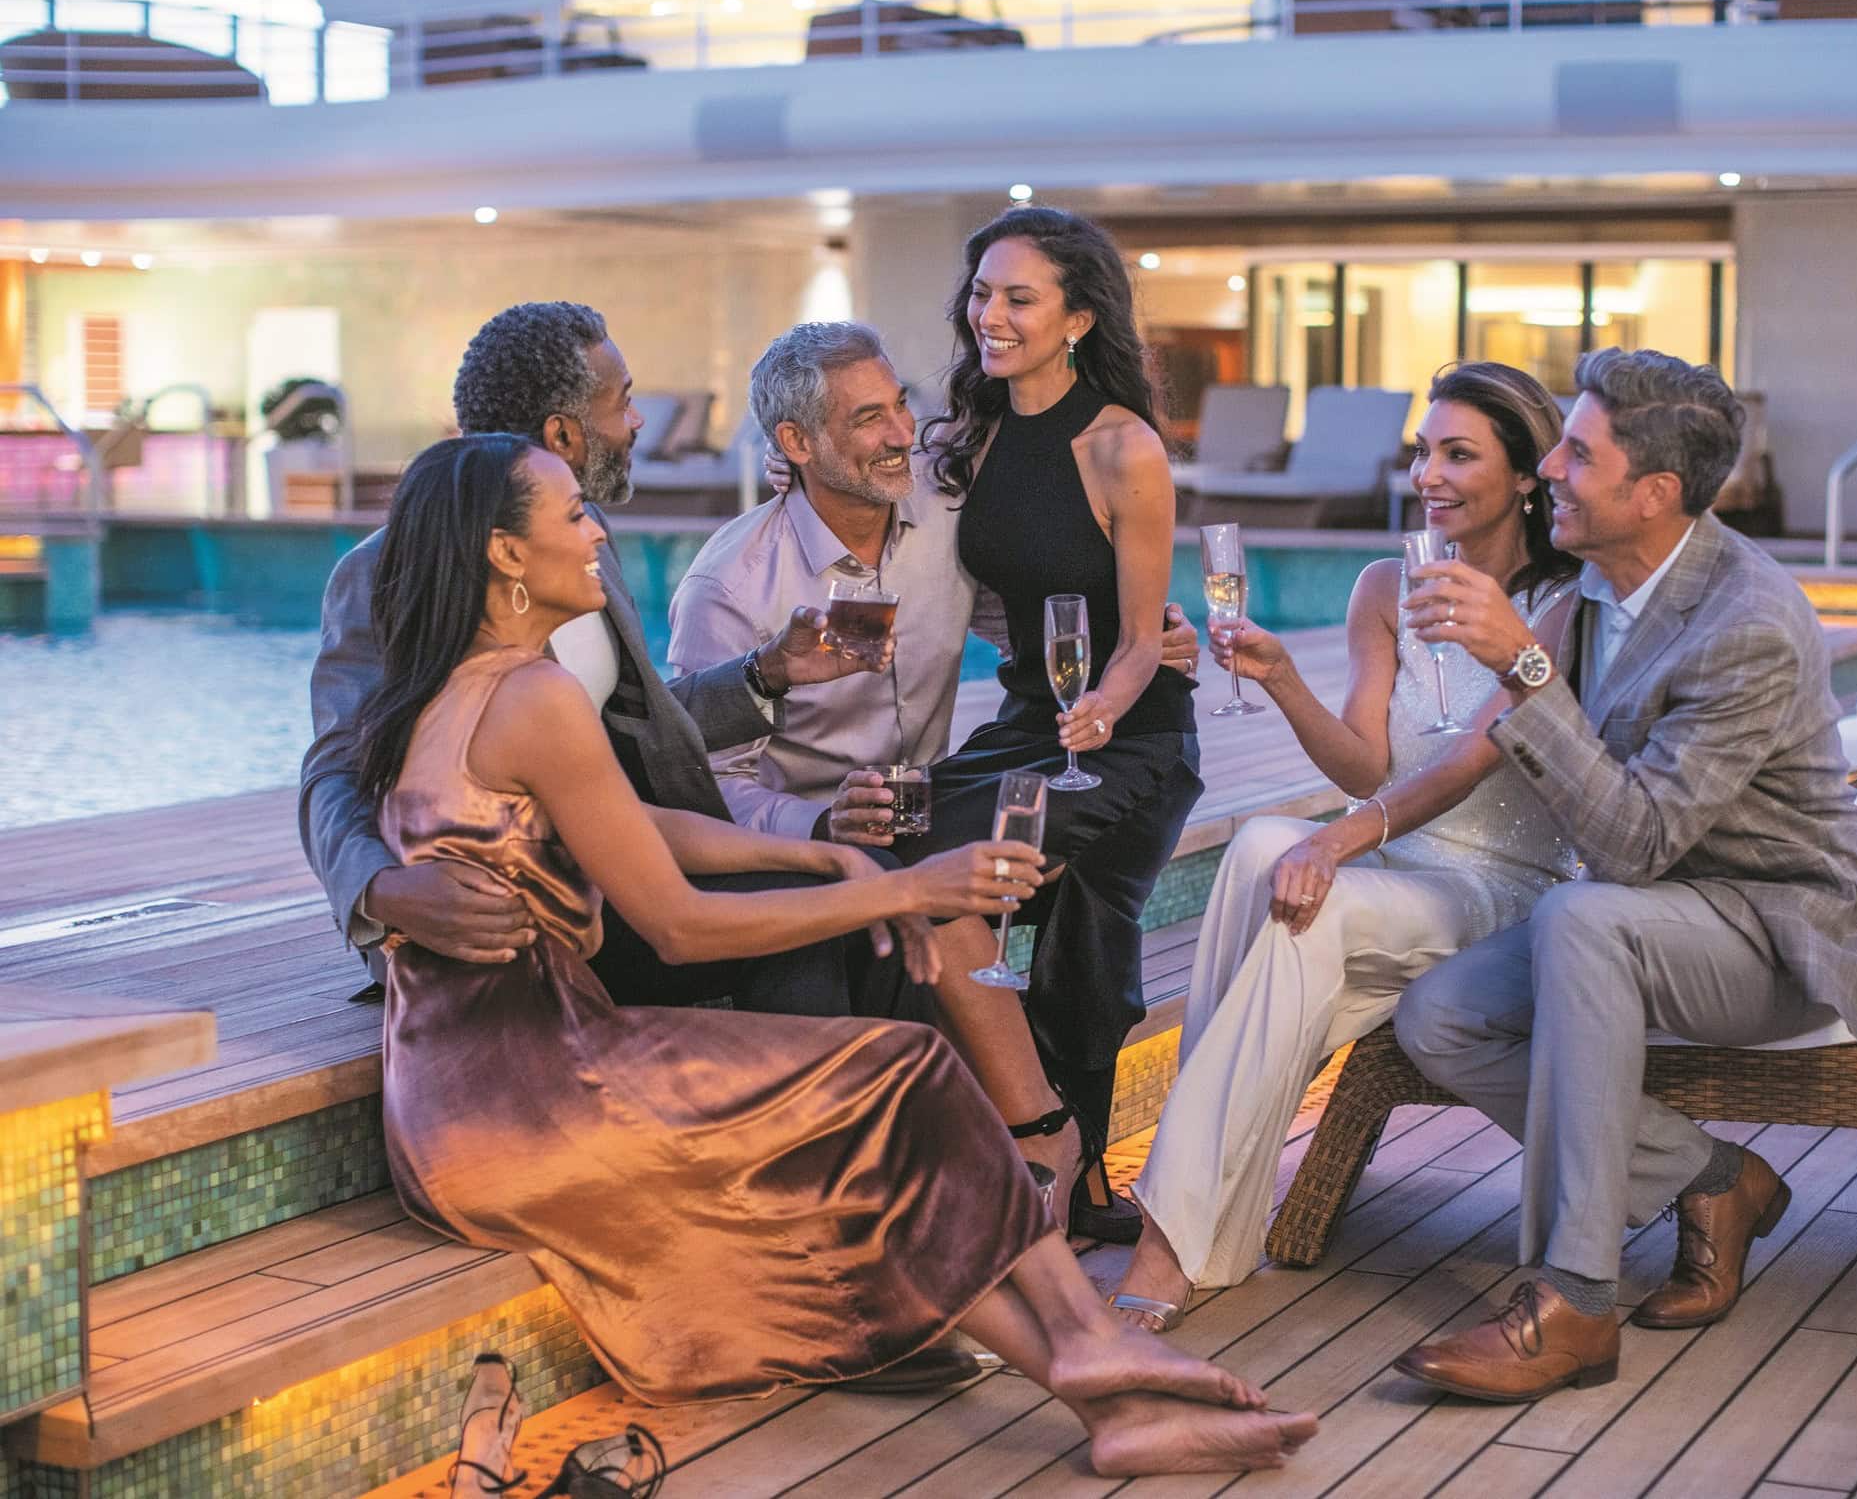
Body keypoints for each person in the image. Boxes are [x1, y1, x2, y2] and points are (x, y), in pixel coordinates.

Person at [363, 431, 1319, 1477]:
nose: (597, 530)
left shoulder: (481, 682)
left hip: (480, 1072)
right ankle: (1091, 1351)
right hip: (521, 1090)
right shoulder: (531, 698)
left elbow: (635, 824)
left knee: (889, 1101)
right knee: (898, 1070)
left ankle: (1106, 1397)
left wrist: (822, 857)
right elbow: (676, 920)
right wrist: (912, 884)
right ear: (505, 554)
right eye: (569, 515)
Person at [1386, 348, 1857, 1402]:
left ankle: (1572, 1306)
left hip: (1775, 924)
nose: (1548, 463)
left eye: (1577, 450)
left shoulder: (1744, 623)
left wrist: (1520, 664)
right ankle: (1716, 1180)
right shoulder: (1600, 585)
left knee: (1585, 918)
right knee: (1442, 1017)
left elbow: (1634, 846)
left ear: (1654, 493)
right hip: (1655, 911)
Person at [666, 319, 1200, 1237]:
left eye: (901, 404)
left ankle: (1067, 1143)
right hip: (808, 839)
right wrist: (819, 822)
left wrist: (1146, 634)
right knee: (956, 878)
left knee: (1080, 883)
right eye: (867, 417)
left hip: (925, 794)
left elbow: (1029, 614)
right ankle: (1023, 1142)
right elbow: (705, 779)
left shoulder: (943, 526)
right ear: (795, 445)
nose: (901, 432)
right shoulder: (733, 582)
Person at [1107, 362, 1581, 1330]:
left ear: (1528, 475)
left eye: (1458, 454)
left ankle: (1172, 1238)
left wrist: (1340, 844)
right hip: (1400, 872)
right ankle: (1209, 1221)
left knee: (1312, 895)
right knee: (1254, 853)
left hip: (1501, 890)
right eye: (1422, 451)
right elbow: (1369, 764)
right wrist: (1282, 679)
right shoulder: (1383, 586)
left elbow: (1475, 762)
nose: (1429, 474)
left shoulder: (1563, 607)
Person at [300, 301, 909, 1022]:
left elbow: (631, 727)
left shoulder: (587, 536)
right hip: (498, 917)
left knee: (854, 892)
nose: (637, 422)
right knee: (823, 913)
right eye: (622, 402)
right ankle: (810, 1107)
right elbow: (336, 766)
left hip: (618, 857)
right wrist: (380, 891)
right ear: (564, 433)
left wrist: (765, 673)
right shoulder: (386, 572)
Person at [880, 204, 1205, 1243]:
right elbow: (976, 593)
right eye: (982, 293)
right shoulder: (969, 439)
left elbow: (1143, 640)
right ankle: (1055, 1145)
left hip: (1132, 737)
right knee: (907, 852)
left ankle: (1048, 1144)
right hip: (1029, 723)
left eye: (1020, 297)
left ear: (1075, 316)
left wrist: (1103, 707)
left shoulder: (1124, 448)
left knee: (981, 872)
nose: (993, 314)